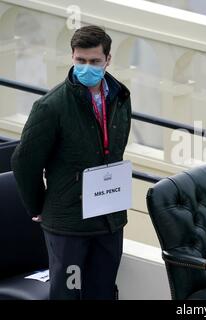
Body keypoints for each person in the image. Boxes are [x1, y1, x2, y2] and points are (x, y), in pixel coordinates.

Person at [11, 25, 132, 300]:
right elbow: (23, 162)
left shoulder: (121, 97)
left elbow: (116, 149)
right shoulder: (51, 106)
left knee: (102, 292)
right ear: (72, 57)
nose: (86, 67)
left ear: (108, 60)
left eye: (94, 61)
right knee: (69, 294)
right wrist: (39, 206)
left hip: (109, 218)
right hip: (68, 226)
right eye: (80, 60)